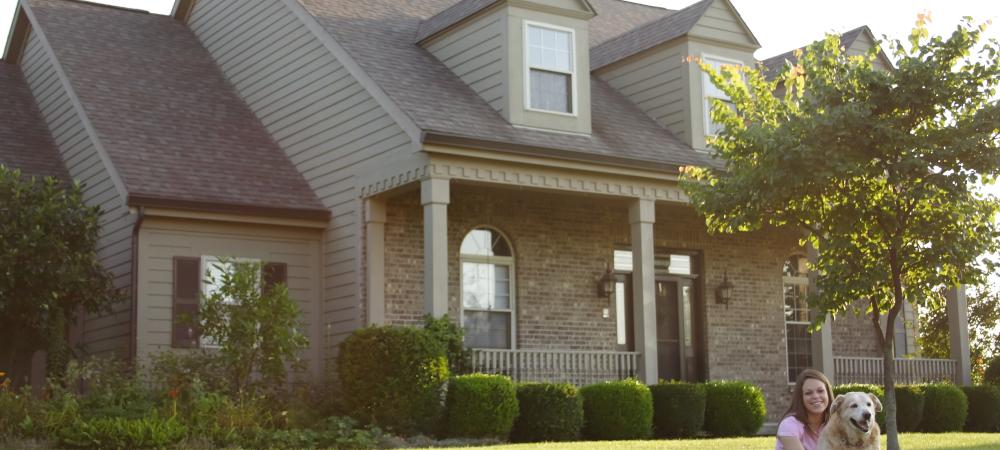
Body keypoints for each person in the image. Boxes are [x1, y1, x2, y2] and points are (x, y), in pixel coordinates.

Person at [776, 368, 833, 450]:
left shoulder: (834, 423)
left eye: (820, 391)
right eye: (808, 393)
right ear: (801, 398)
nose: (816, 396)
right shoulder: (789, 424)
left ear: (828, 393)